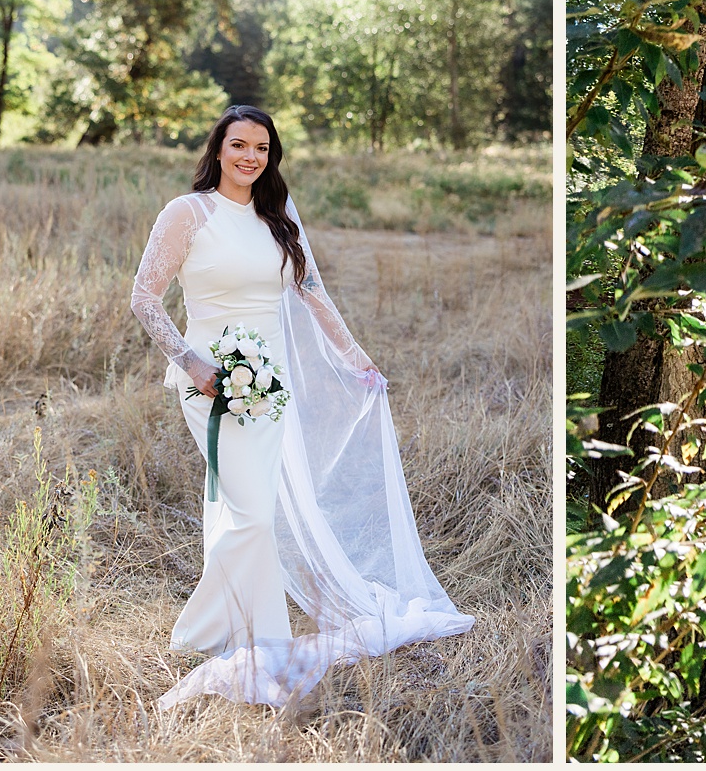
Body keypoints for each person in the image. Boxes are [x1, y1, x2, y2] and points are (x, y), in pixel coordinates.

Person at [130, 106, 472, 707]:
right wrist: (190, 360)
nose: (249, 157)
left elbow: (311, 293)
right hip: (210, 380)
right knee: (256, 515)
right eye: (238, 145)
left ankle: (235, 631)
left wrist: (358, 358)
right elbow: (144, 297)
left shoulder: (276, 217)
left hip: (269, 382)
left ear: (271, 157)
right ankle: (213, 631)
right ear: (218, 149)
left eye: (261, 148)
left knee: (244, 510)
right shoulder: (188, 213)